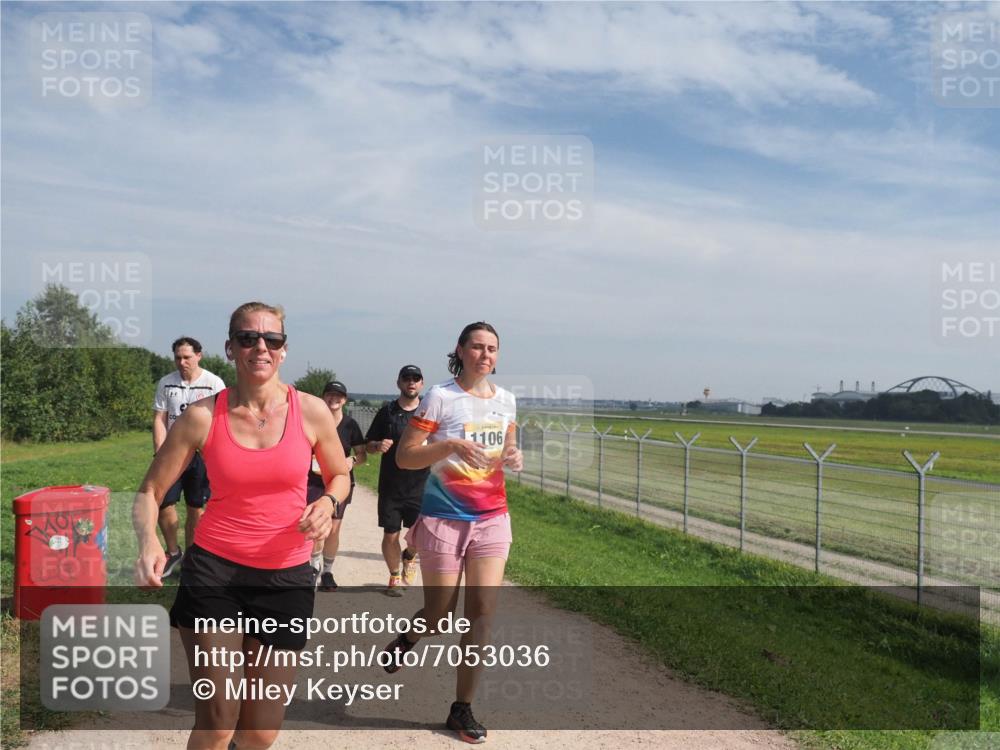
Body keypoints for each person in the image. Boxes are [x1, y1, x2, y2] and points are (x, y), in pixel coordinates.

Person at [133, 301, 351, 750]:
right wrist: (148, 541)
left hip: (286, 575)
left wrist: (329, 502)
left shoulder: (311, 412)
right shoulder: (202, 415)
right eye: (248, 338)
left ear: (284, 350)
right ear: (230, 349)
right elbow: (150, 491)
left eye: (272, 339)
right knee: (218, 719)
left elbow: (341, 475)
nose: (261, 347)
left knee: (260, 731)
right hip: (214, 572)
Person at [381, 322, 522, 744]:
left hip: (492, 519)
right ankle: (410, 636)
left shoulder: (507, 401)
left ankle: (461, 709)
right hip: (444, 518)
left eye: (492, 348)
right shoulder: (440, 398)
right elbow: (406, 458)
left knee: (481, 615)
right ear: (460, 350)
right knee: (438, 614)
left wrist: (514, 455)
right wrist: (450, 446)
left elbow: (506, 449)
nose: (485, 355)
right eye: (477, 347)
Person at [152, 336, 225, 577]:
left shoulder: (214, 383)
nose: (182, 362)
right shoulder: (166, 383)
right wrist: (160, 452)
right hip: (172, 452)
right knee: (163, 503)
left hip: (202, 455)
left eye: (187, 357)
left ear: (198, 356)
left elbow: (223, 421)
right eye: (177, 357)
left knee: (196, 507)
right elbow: (160, 419)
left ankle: (193, 557)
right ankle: (173, 552)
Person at [365, 364, 430, 596]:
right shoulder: (388, 412)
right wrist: (377, 446)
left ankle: (409, 555)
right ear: (399, 383)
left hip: (421, 485)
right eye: (407, 378)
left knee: (419, 536)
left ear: (422, 384)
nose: (411, 382)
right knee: (390, 534)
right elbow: (368, 444)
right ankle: (394, 576)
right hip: (392, 486)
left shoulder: (429, 413)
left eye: (416, 378)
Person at [306, 379, 367, 591]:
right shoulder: (312, 421)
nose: (334, 399)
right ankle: (313, 566)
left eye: (338, 396)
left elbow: (362, 454)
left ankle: (328, 571)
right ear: (323, 397)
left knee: (333, 529)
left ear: (345, 400)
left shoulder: (350, 425)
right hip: (313, 480)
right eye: (330, 394)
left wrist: (351, 462)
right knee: (315, 525)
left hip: (340, 482)